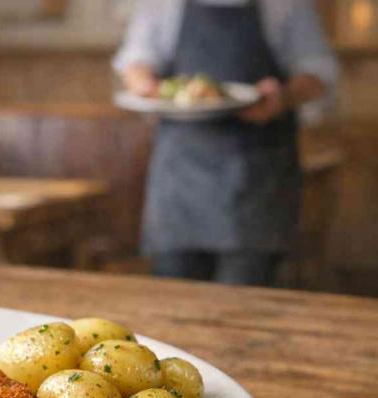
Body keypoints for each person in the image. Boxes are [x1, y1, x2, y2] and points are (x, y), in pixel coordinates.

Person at [113, 0, 338, 286]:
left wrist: (284, 97)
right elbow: (136, 59)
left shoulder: (287, 4)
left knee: (245, 295)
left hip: (258, 174)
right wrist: (145, 85)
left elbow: (318, 71)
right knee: (173, 293)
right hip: (180, 175)